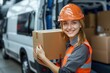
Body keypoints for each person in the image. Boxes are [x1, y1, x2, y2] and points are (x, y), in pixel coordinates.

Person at [33, 3, 92, 73]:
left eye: (74, 22)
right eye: (65, 23)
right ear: (62, 26)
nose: (69, 27)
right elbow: (62, 67)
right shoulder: (69, 44)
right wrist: (43, 61)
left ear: (80, 25)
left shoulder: (82, 47)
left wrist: (44, 58)